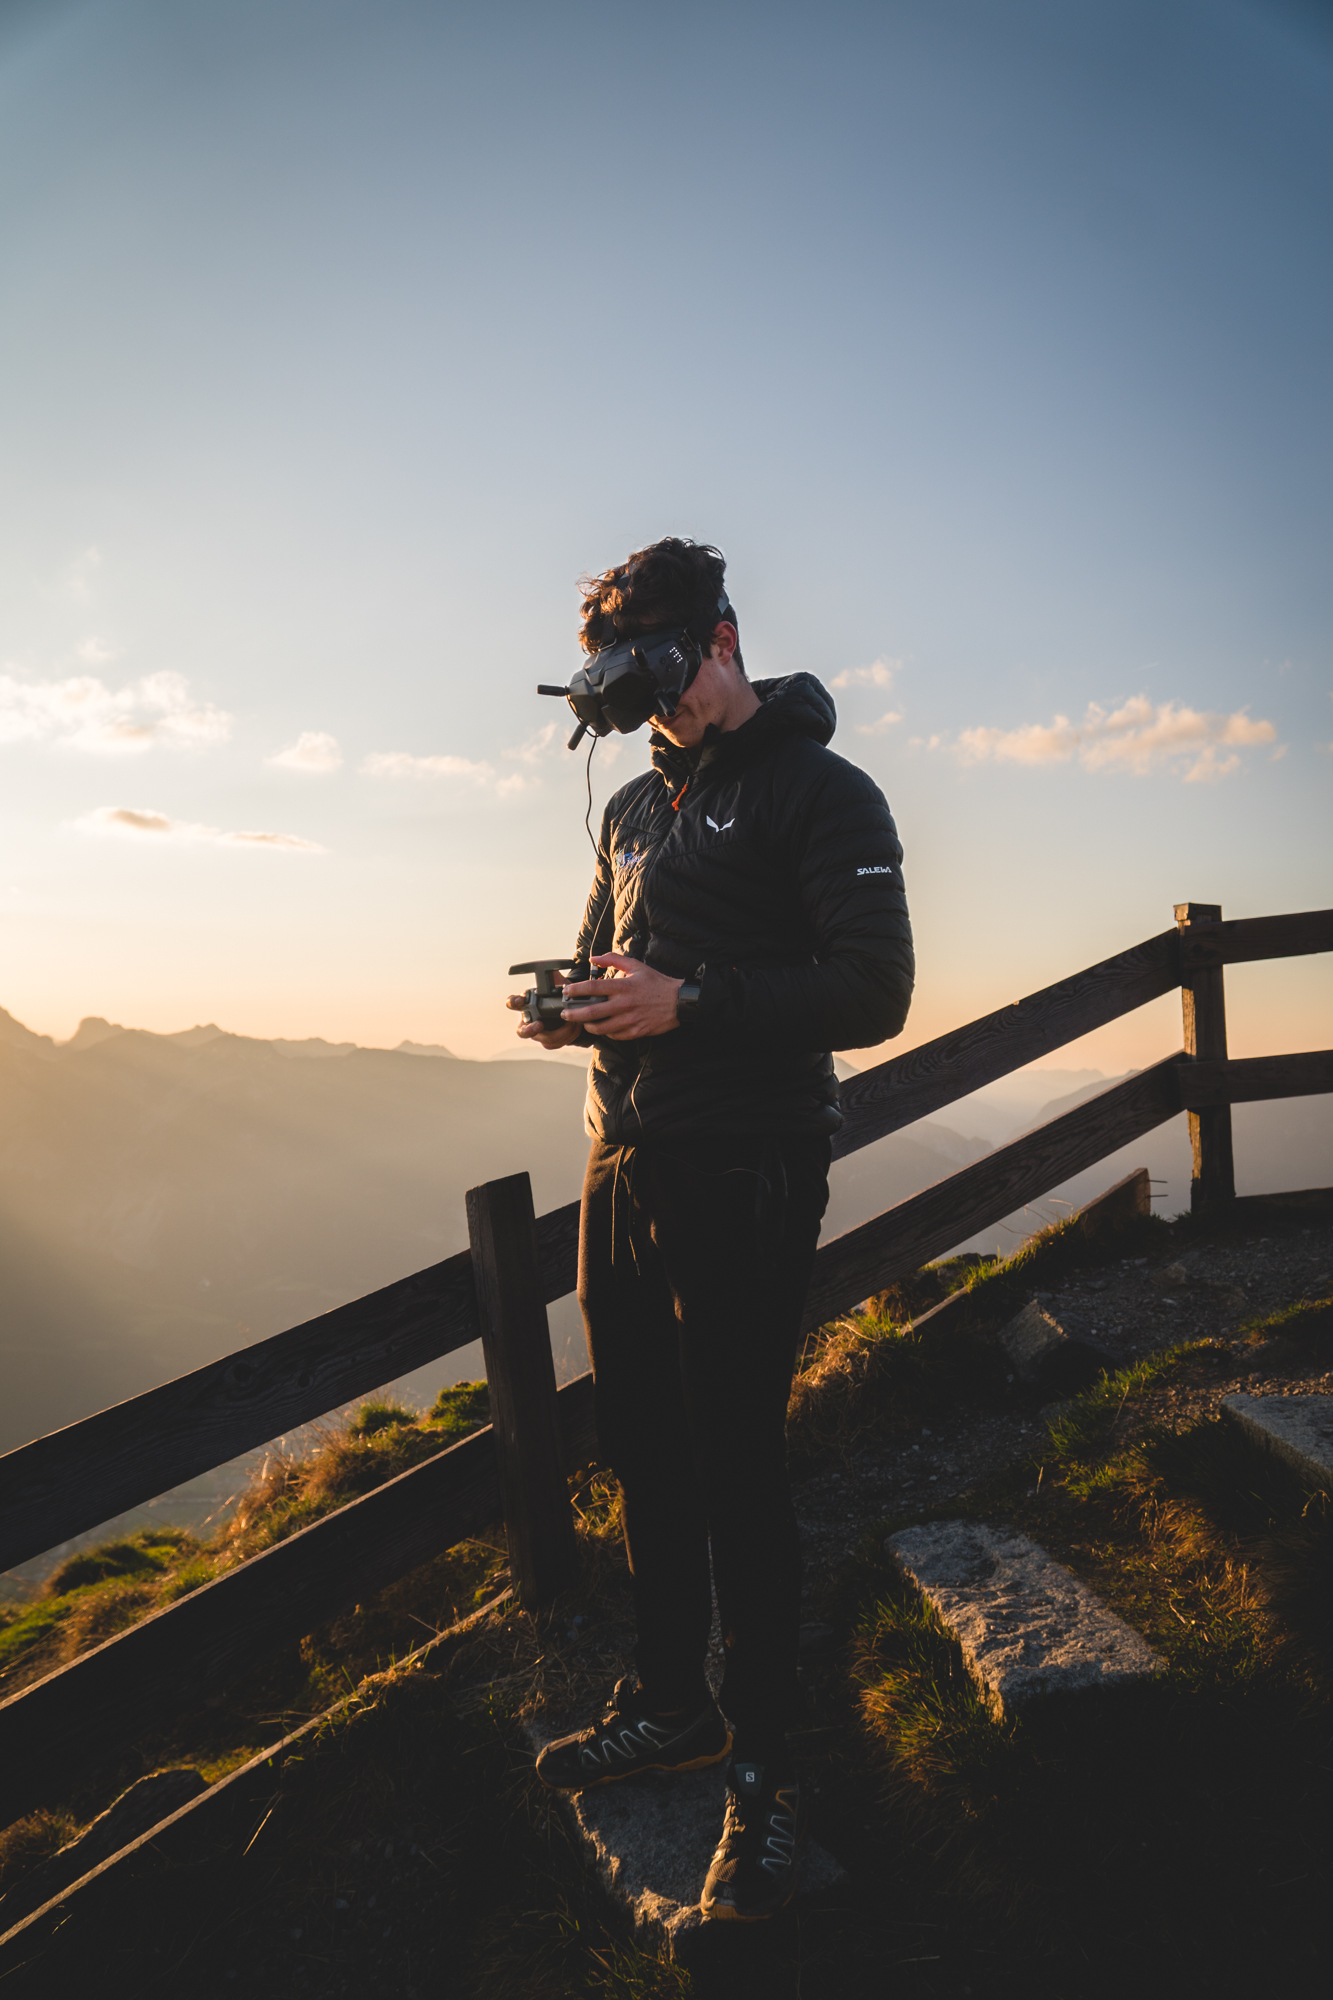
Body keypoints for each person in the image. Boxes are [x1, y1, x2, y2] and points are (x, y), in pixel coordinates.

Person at [508, 537, 913, 1923]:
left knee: (739, 1463)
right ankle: (673, 1704)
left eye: (668, 670)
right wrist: (565, 1002)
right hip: (623, 1166)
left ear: (723, 639)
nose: (658, 703)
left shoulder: (820, 789)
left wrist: (692, 1005)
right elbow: (606, 954)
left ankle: (770, 1781)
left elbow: (873, 989)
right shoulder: (630, 808)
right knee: (640, 1445)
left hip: (746, 1167)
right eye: (636, 681)